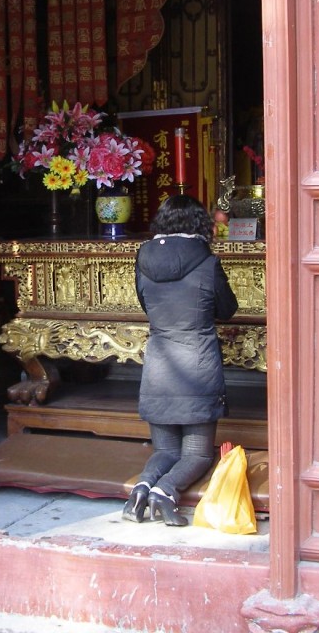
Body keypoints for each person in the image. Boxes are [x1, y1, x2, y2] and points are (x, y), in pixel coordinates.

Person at [123, 194, 239, 526]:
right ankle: (165, 491)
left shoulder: (143, 258)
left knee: (165, 451)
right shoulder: (206, 261)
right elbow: (227, 310)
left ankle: (140, 492)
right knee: (198, 455)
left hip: (158, 368)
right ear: (200, 224)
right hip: (198, 368)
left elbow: (146, 305)